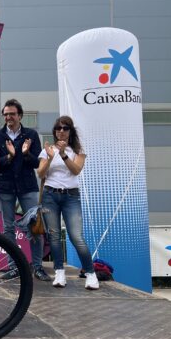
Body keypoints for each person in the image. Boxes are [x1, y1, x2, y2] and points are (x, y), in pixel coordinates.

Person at [0, 99, 51, 282]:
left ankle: (38, 267)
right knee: (8, 228)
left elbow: (38, 163)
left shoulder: (31, 134)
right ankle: (13, 267)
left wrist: (25, 154)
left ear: (20, 115)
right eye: (6, 114)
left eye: (12, 114)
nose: (9, 117)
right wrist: (10, 156)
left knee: (34, 227)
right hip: (6, 187)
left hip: (27, 187)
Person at [37, 116, 99, 290]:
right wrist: (50, 157)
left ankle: (90, 273)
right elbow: (40, 174)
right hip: (50, 195)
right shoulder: (48, 149)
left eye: (64, 128)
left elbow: (76, 170)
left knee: (76, 237)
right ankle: (59, 272)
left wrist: (63, 154)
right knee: (54, 237)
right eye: (58, 128)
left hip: (71, 196)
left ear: (70, 131)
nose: (61, 131)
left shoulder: (77, 149)